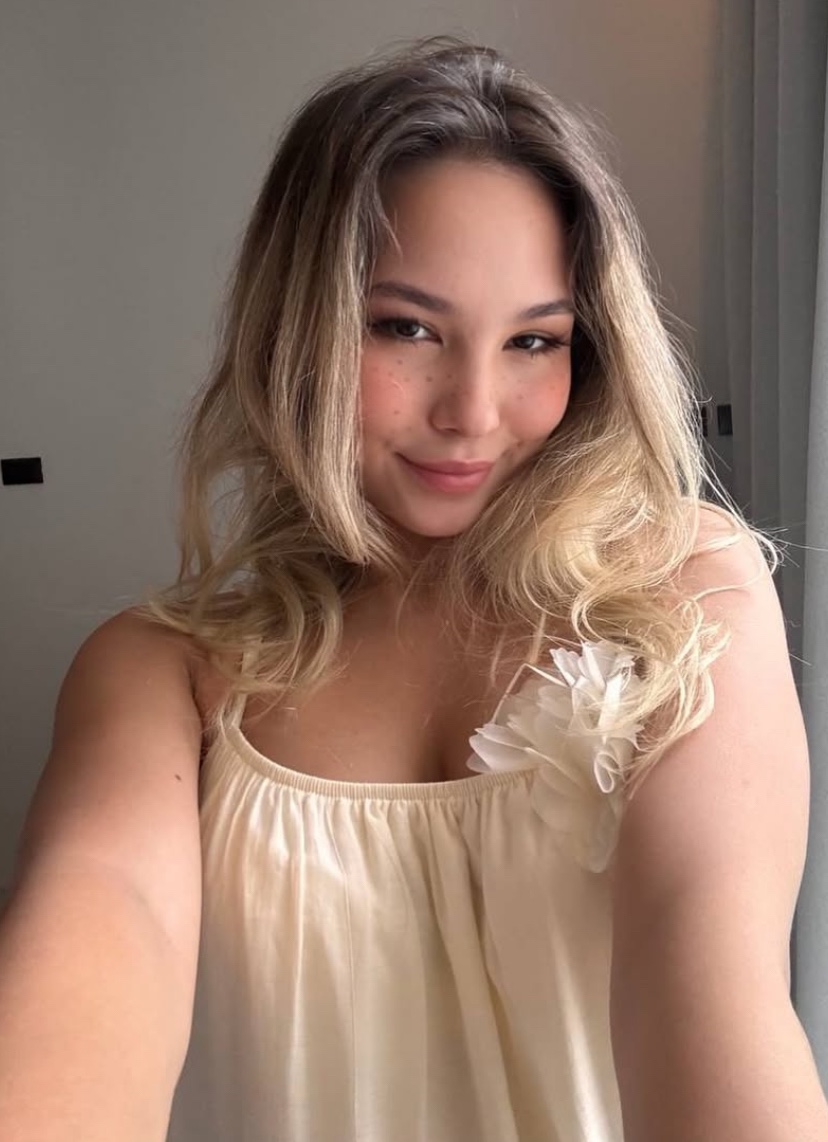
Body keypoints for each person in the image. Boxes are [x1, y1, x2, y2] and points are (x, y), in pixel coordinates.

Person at [0, 36, 826, 1142]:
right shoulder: (162, 672)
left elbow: (708, 976)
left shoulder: (684, 590)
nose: (473, 411)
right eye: (407, 328)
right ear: (298, 326)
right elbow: (108, 926)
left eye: (535, 340)